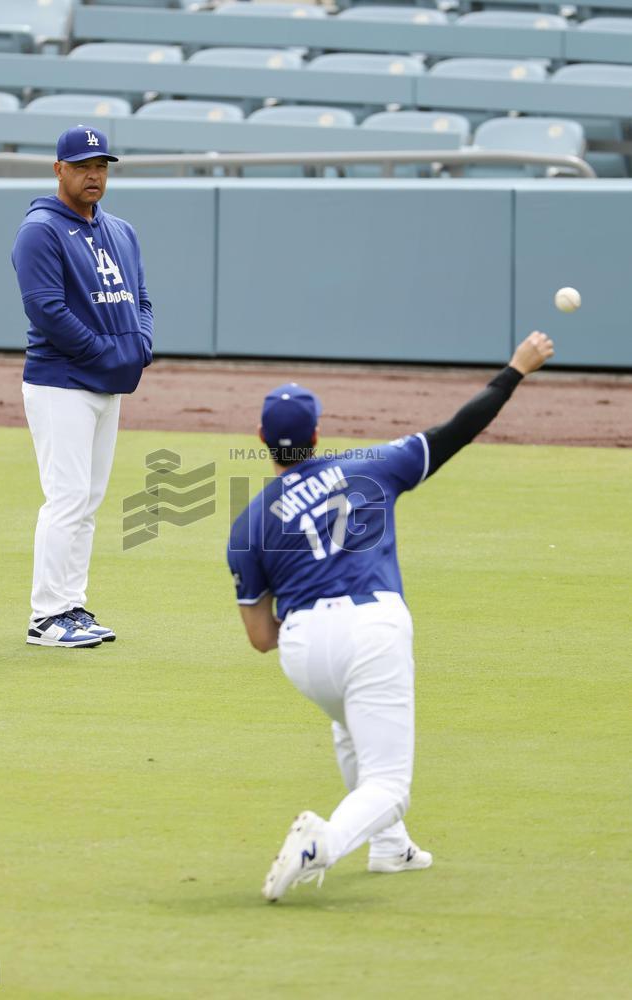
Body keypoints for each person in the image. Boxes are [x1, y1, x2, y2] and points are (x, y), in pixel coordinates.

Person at [227, 331, 554, 902]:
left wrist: (311, 622)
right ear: (318, 434)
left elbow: (259, 637)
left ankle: (392, 847)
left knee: (349, 726)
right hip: (372, 631)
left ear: (261, 440)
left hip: (302, 650)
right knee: (389, 784)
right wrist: (515, 370)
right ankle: (321, 844)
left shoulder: (247, 523)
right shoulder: (374, 463)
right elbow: (457, 429)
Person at [12, 125, 153, 648]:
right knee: (67, 498)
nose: (94, 175)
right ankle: (45, 617)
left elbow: (141, 299)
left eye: (102, 166)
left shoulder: (121, 230)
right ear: (59, 170)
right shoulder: (40, 231)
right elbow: (46, 310)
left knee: (88, 500)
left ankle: (71, 606)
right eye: (83, 166)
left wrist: (138, 346)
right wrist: (103, 353)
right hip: (61, 382)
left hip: (108, 383)